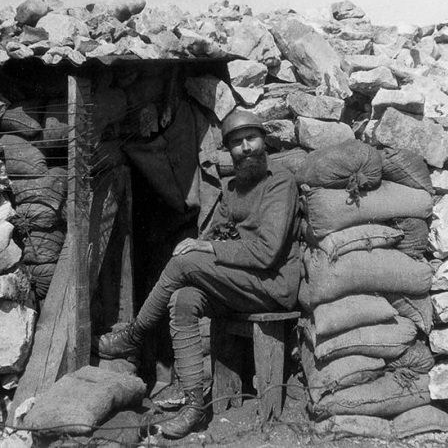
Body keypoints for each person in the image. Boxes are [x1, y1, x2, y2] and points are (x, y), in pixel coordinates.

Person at [98, 109, 301, 438]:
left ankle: (134, 336)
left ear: (265, 142)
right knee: (184, 298)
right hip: (244, 283)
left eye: (252, 139)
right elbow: (214, 236)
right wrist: (205, 244)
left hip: (274, 285)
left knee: (183, 263)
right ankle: (194, 404)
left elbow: (267, 253)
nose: (246, 148)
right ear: (229, 151)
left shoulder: (280, 184)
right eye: (236, 143)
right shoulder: (233, 189)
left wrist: (206, 250)